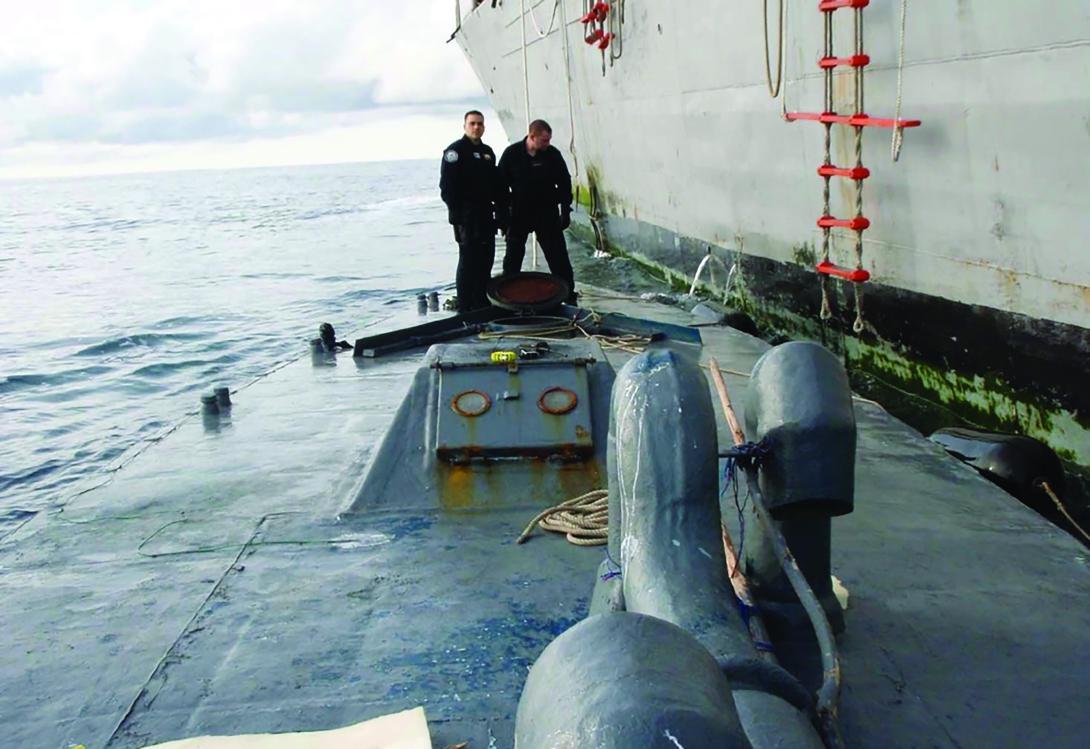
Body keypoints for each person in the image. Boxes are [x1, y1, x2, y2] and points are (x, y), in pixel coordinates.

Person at [498, 119, 575, 302]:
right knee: (513, 258)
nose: (547, 144)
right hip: (519, 214)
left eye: (549, 140)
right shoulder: (512, 154)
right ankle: (507, 298)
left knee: (559, 258)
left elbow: (564, 183)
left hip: (546, 213)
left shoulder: (552, 155)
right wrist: (502, 217)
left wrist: (565, 210)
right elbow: (499, 187)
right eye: (544, 140)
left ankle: (568, 295)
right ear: (532, 137)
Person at [439, 110, 506, 312]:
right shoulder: (455, 152)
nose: (476, 127)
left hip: (485, 214)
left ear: (484, 127)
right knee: (468, 260)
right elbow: (447, 188)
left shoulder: (488, 153)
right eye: (472, 123)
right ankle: (465, 304)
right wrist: (456, 215)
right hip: (465, 217)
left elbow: (496, 186)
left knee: (486, 259)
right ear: (465, 126)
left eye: (480, 124)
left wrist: (502, 212)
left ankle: (481, 301)